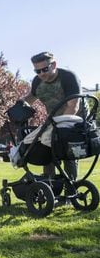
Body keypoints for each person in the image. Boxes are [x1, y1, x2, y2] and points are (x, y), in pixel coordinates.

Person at [21, 51, 83, 182]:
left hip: (74, 119)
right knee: (46, 148)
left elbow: (73, 106)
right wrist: (20, 104)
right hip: (54, 119)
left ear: (54, 64)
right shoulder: (38, 81)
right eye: (37, 71)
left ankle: (70, 189)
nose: (41, 74)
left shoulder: (68, 77)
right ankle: (50, 184)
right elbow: (32, 97)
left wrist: (59, 129)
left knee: (68, 153)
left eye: (45, 69)